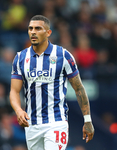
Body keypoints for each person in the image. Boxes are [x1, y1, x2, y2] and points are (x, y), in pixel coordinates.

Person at [9, 15, 94, 150]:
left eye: (38, 28)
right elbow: (14, 91)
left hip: (56, 122)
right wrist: (19, 111)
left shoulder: (63, 55)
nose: (33, 32)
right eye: (30, 28)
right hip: (32, 125)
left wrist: (87, 119)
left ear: (48, 32)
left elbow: (79, 88)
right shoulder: (20, 58)